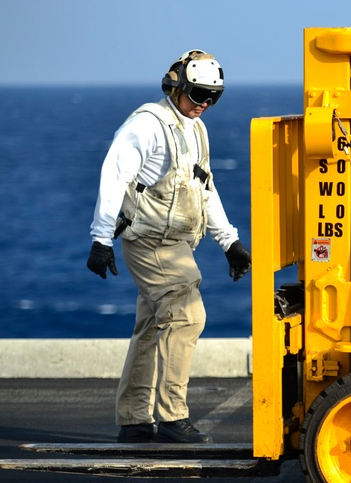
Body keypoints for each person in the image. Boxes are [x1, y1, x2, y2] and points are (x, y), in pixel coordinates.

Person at [86, 49, 251, 444]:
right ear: (175, 85)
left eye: (213, 97)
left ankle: (134, 419)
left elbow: (204, 188)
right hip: (149, 242)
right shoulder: (146, 126)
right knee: (187, 316)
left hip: (175, 242)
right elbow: (113, 176)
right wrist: (100, 238)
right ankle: (172, 416)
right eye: (197, 94)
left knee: (151, 327)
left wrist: (228, 241)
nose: (204, 104)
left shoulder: (195, 129)